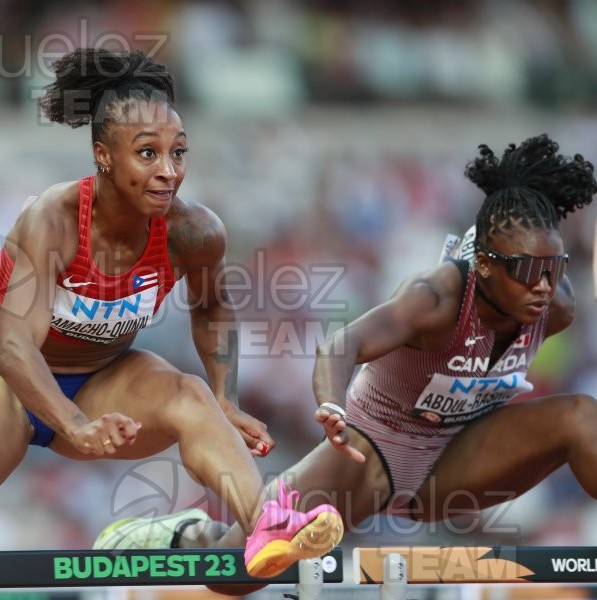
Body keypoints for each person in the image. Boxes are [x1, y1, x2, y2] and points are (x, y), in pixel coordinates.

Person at [0, 47, 343, 577]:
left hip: (104, 380)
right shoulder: (52, 221)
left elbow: (211, 306)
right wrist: (75, 424)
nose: (168, 172)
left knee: (191, 396)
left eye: (177, 153)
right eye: (148, 154)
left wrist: (225, 394)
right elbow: (17, 349)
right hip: (6, 384)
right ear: (104, 155)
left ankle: (268, 525)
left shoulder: (193, 233)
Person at [95, 133, 597, 588]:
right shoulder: (436, 298)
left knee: (581, 417)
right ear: (484, 265)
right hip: (370, 450)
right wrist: (332, 407)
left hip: (457, 458)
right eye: (528, 270)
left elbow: (544, 274)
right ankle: (187, 533)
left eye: (554, 269)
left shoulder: (554, 306)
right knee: (234, 577)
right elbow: (341, 345)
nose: (542, 285)